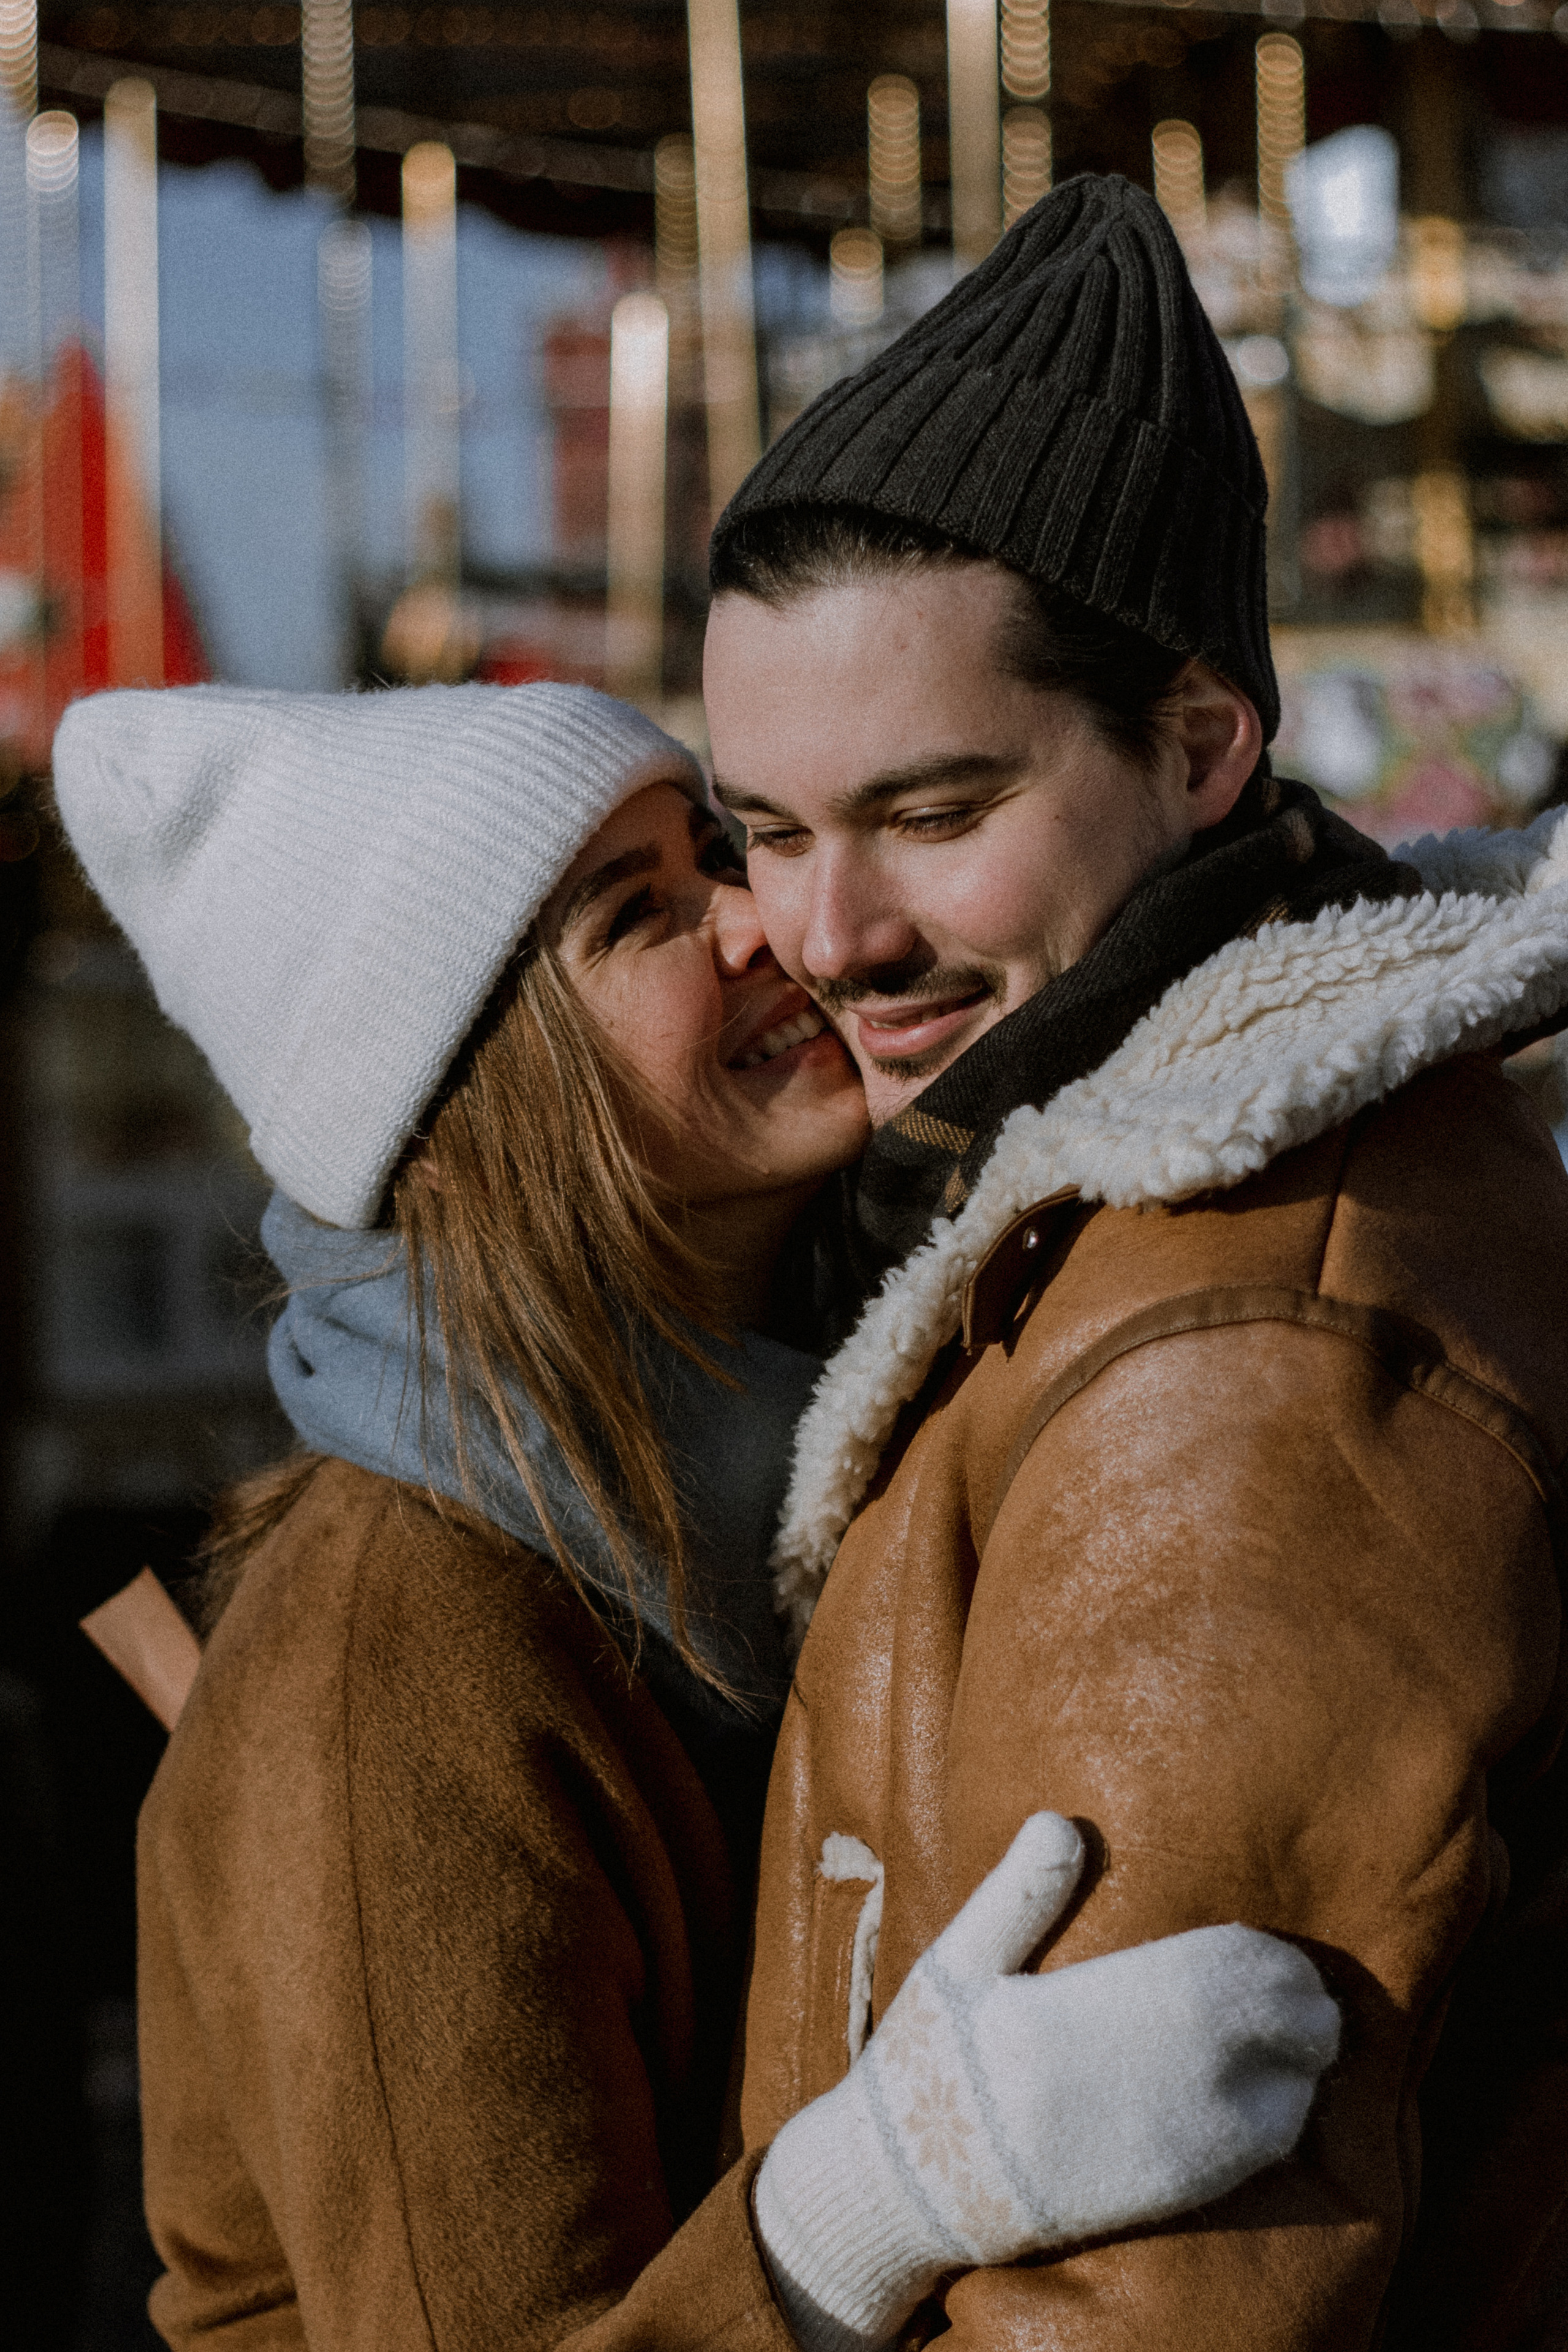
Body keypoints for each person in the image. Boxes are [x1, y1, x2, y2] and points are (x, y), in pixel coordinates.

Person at [51, 680, 1338, 2352]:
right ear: (461, 1104)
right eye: (640, 916)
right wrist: (876, 2199)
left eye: (716, 853)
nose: (765, 922)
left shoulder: (762, 1465)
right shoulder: (403, 1649)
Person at [702, 174, 1568, 2349]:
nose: (827, 938)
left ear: (1199, 748)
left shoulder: (1234, 1349)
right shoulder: (1153, 1198)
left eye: (931, 811)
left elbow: (1145, 2288)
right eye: (767, 830)